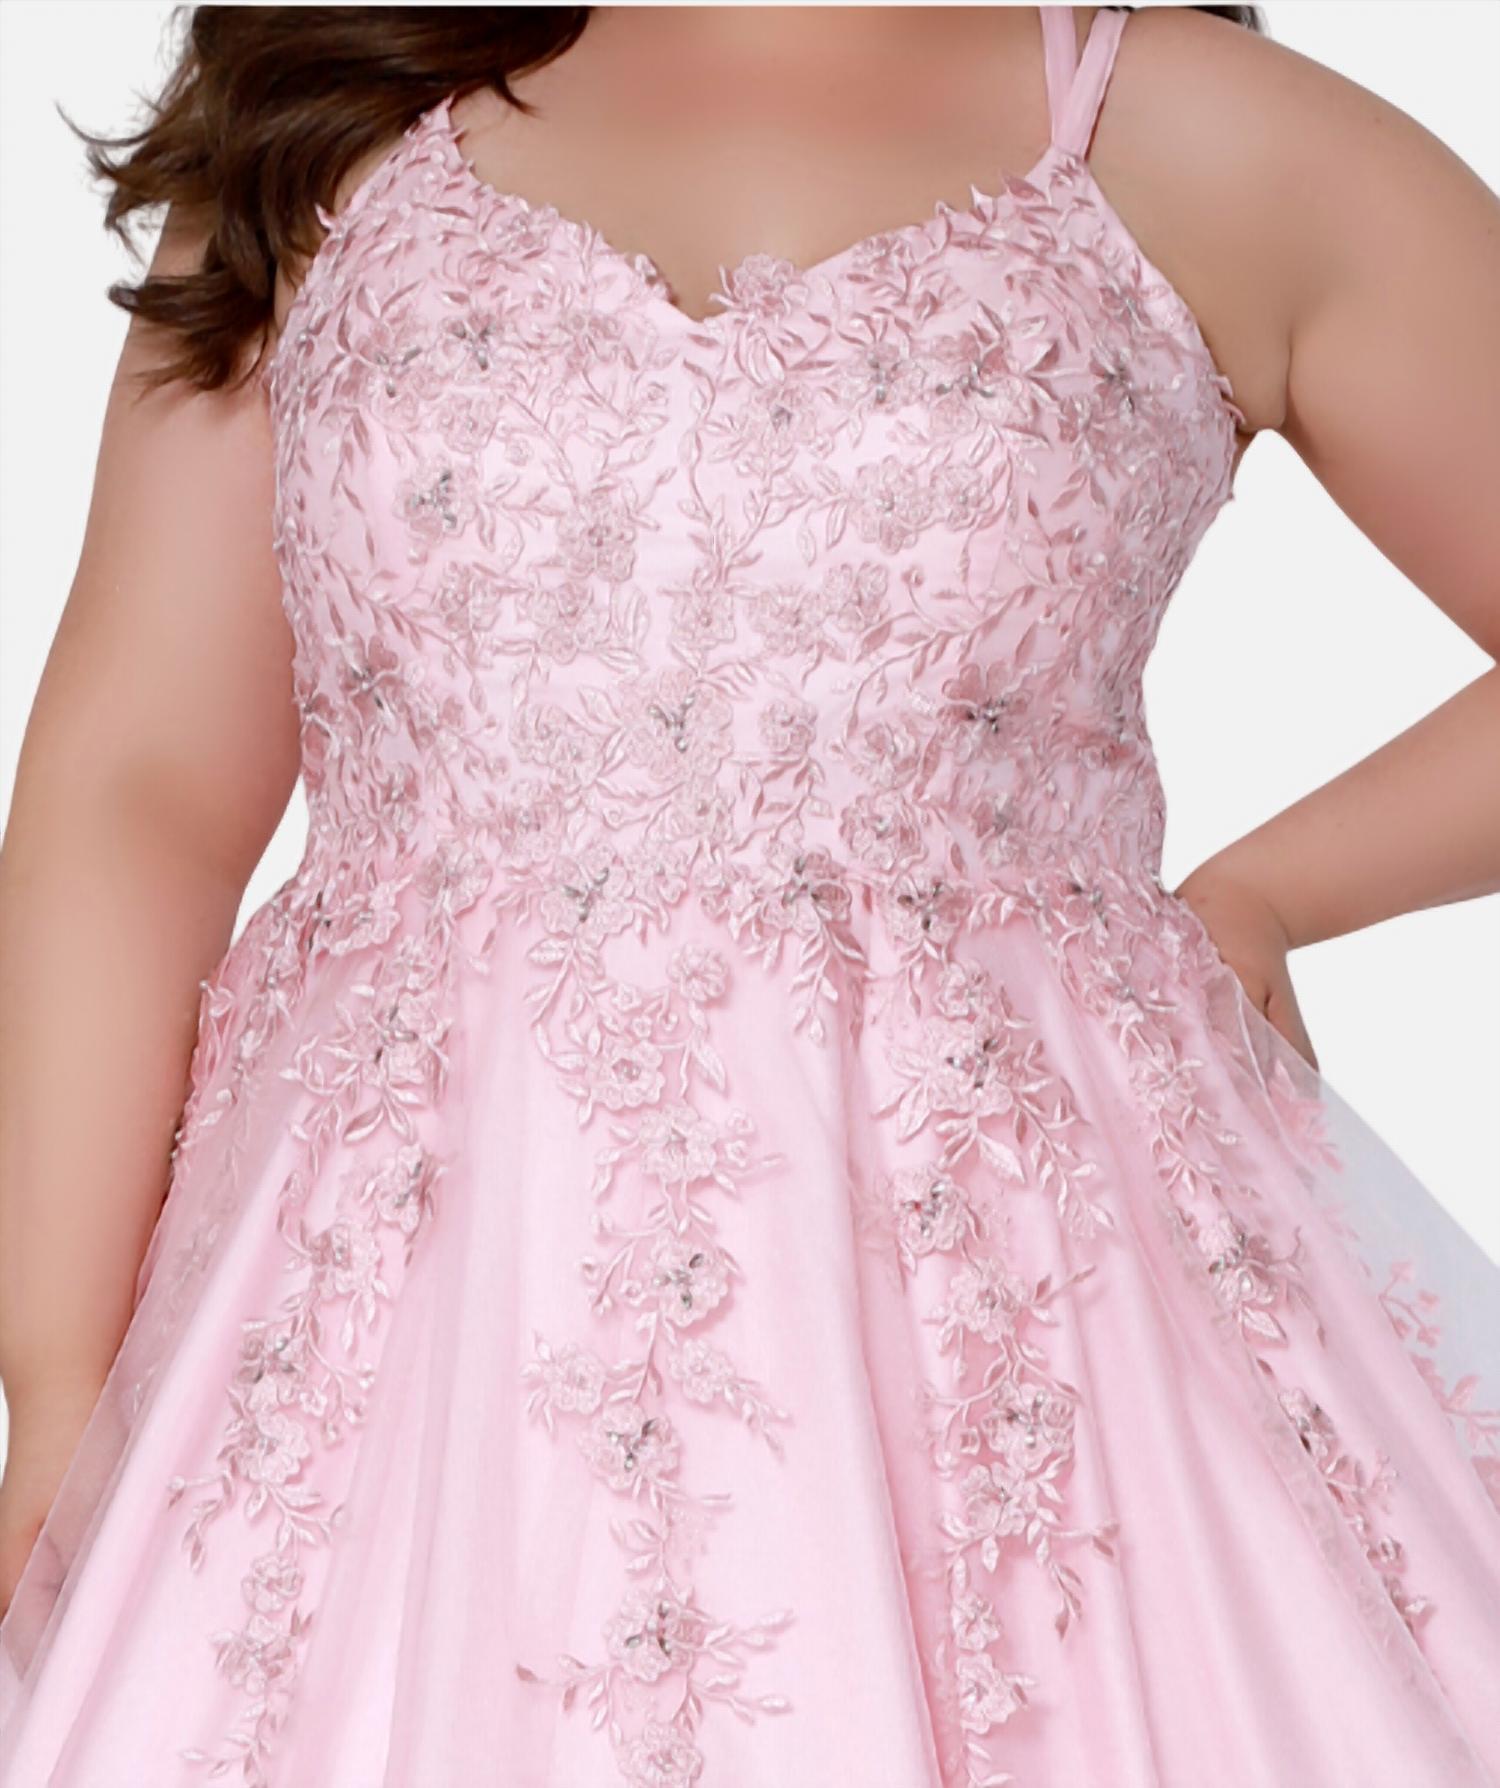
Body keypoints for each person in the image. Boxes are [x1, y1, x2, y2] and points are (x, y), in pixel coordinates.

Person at [1, 5, 1497, 1783]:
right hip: (369, 1342)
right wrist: (57, 1377)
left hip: (1032, 1345)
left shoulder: (1212, 139)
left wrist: (1271, 891)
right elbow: (143, 784)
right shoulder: (328, 119)